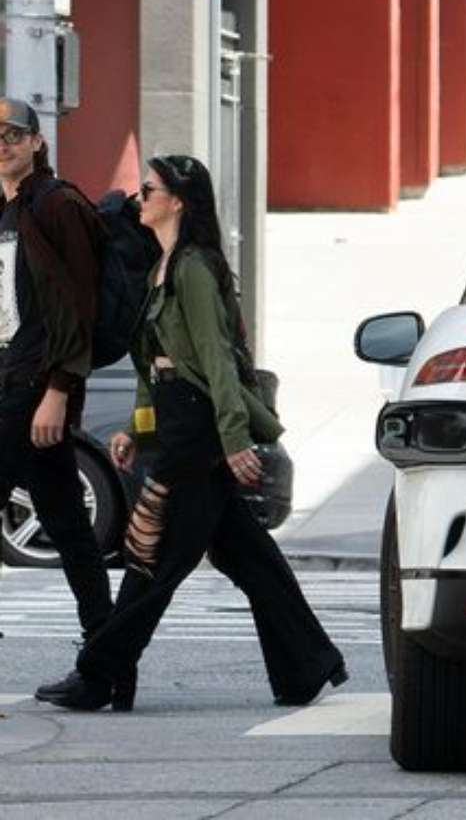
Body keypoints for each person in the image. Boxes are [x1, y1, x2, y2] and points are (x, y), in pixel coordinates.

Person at [35, 154, 345, 711]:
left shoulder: (194, 269)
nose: (138, 199)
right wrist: (135, 426)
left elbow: (215, 363)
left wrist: (233, 440)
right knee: (248, 556)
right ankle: (308, 664)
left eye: (148, 189)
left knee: (150, 553)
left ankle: (100, 674)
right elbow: (155, 364)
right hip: (179, 418)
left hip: (199, 426)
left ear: (177, 200)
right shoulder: (163, 266)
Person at [0, 98, 112, 642]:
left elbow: (80, 305)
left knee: (66, 518)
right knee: (67, 519)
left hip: (34, 383)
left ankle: (107, 654)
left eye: (12, 133)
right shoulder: (5, 209)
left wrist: (60, 389)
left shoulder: (58, 205)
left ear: (36, 142)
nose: (3, 143)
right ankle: (107, 652)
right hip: (7, 377)